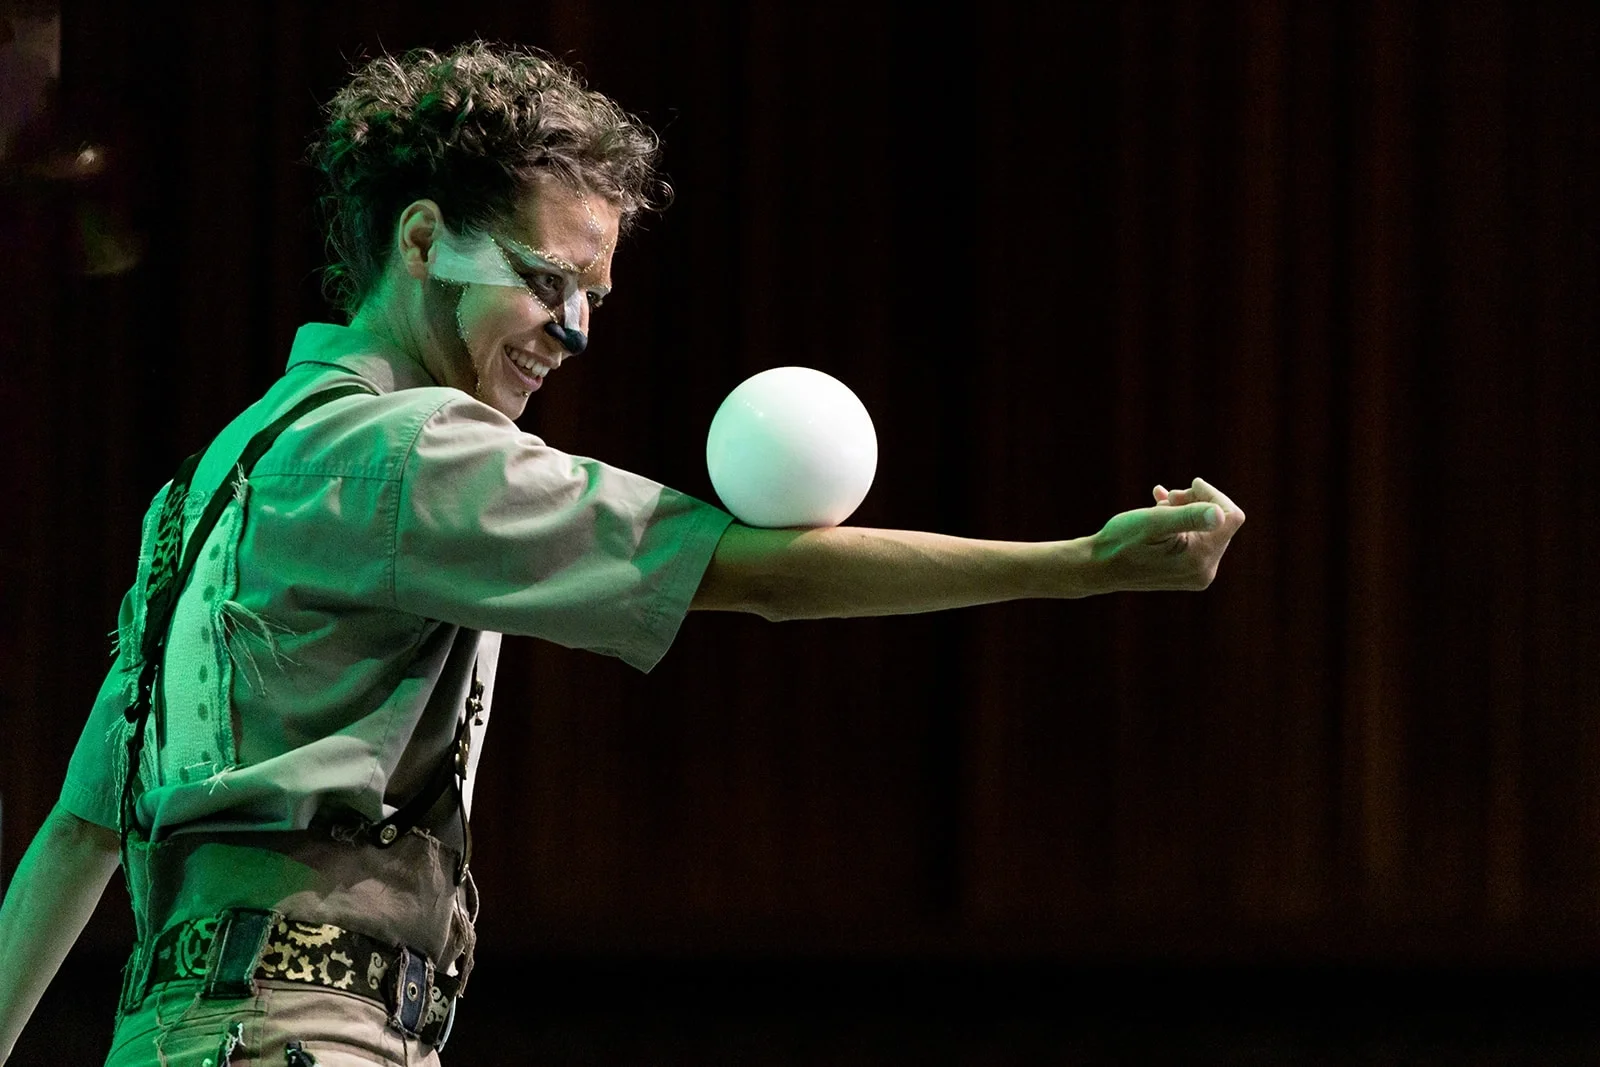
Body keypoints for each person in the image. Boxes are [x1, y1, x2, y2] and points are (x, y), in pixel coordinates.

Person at [0, 41, 1245, 1066]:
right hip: (301, 1040)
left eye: (594, 294)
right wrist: (1079, 563)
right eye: (548, 279)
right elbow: (759, 573)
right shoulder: (409, 451)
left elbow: (77, 832)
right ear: (423, 240)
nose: (577, 329)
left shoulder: (207, 485)